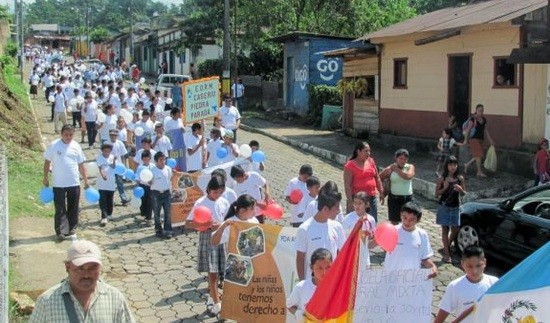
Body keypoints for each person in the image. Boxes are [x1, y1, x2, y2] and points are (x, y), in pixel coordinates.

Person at [29, 240, 135, 322]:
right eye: (80, 268)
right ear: (67, 267)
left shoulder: (114, 298)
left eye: (93, 268)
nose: (86, 274)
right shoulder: (47, 302)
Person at [186, 177, 230, 317]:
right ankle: (217, 303)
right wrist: (206, 225)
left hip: (222, 238)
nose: (217, 194)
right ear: (209, 190)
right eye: (215, 192)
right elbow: (188, 223)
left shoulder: (224, 202)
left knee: (223, 272)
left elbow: (229, 220)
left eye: (220, 192)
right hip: (208, 238)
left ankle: (213, 298)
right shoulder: (201, 202)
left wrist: (222, 225)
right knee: (212, 272)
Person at [43, 124, 90, 241]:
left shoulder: (76, 146)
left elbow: (81, 165)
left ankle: (71, 228)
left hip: (73, 182)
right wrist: (45, 177)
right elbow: (47, 162)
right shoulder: (54, 145)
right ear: (61, 134)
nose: (68, 137)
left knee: (73, 207)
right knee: (60, 208)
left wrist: (86, 180)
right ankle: (60, 231)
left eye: (70, 135)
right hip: (58, 183)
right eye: (66, 135)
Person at [434, 246, 498, 323]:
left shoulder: (495, 283)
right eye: (469, 266)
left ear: (484, 262)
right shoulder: (455, 286)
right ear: (462, 264)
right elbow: (444, 310)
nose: (474, 271)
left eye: (478, 265)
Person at [295, 189, 346, 280]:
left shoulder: (337, 226)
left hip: (332, 282)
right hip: (312, 282)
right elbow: (300, 257)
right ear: (325, 209)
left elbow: (343, 253)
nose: (338, 211)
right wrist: (303, 282)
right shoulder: (304, 229)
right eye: (336, 207)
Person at [382, 201, 438, 279]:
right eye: (404, 217)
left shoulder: (422, 234)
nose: (407, 221)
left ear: (418, 220)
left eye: (412, 219)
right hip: (391, 276)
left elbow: (424, 258)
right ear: (400, 215)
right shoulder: (393, 230)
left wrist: (433, 266)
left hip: (411, 279)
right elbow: (374, 245)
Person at [286, 248, 333, 322]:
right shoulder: (301, 287)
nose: (324, 272)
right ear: (311, 267)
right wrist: (298, 313)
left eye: (328, 267)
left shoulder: (336, 288)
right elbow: (289, 305)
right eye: (320, 268)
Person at [435, 156, 466, 263]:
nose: (452, 167)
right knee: (445, 230)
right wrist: (444, 188)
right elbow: (436, 194)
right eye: (450, 165)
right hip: (444, 206)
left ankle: (446, 246)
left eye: (454, 165)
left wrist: (461, 189)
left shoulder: (460, 178)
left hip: (455, 207)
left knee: (455, 229)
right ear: (446, 166)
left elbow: (463, 193)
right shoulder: (441, 178)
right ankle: (447, 255)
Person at [343, 142, 383, 221]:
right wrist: (351, 202)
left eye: (369, 151)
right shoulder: (350, 165)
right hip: (357, 199)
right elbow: (347, 185)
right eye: (366, 151)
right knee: (356, 222)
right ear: (358, 151)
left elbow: (377, 177)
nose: (368, 153)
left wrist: (381, 191)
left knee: (372, 221)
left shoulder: (371, 161)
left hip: (371, 198)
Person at [380, 148, 415, 224]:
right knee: (394, 222)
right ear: (396, 158)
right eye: (401, 158)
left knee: (408, 222)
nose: (403, 161)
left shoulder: (410, 167)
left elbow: (408, 176)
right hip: (394, 199)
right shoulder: (390, 168)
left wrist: (396, 169)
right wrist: (382, 190)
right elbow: (379, 178)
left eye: (405, 159)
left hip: (407, 198)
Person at [463, 104, 495, 178]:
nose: (481, 112)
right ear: (476, 110)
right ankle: (479, 172)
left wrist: (490, 140)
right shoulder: (473, 119)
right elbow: (468, 130)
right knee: (479, 155)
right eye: (479, 110)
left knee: (478, 155)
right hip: (473, 138)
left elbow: (486, 130)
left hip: (481, 139)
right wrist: (465, 140)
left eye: (482, 110)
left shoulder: (484, 119)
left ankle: (467, 165)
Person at [151, 151, 173, 239]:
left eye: (164, 159)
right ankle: (158, 230)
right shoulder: (152, 170)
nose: (163, 161)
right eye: (161, 159)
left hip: (167, 193)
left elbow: (170, 178)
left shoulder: (168, 168)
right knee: (156, 213)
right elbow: (149, 182)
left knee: (168, 213)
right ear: (156, 161)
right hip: (156, 194)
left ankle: (168, 230)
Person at [96, 143, 116, 227]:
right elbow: (100, 168)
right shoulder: (99, 157)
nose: (107, 153)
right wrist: (103, 175)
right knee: (102, 199)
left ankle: (109, 214)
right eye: (105, 151)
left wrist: (114, 160)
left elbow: (113, 166)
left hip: (111, 181)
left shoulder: (112, 157)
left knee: (110, 199)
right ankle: (103, 216)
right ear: (102, 151)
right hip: (102, 183)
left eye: (108, 151)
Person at [137, 150, 154, 226]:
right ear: (142, 159)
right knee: (143, 202)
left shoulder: (153, 166)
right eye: (144, 159)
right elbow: (137, 178)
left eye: (148, 159)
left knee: (150, 202)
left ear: (150, 158)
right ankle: (144, 214)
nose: (146, 160)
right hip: (142, 186)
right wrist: (138, 187)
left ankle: (149, 218)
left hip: (150, 187)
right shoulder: (140, 167)